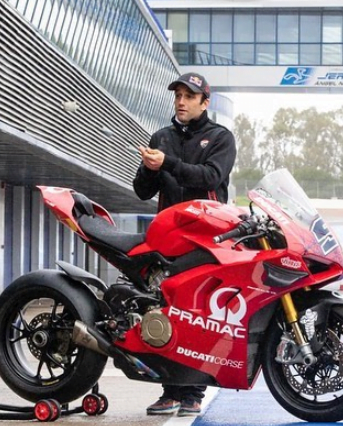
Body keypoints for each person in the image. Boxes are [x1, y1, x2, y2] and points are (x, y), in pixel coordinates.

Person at [132, 72, 237, 417]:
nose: (181, 101)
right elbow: (142, 191)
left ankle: (193, 392)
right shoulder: (161, 137)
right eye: (178, 95)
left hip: (206, 240)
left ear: (205, 102)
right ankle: (170, 391)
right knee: (165, 312)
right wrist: (150, 169)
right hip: (167, 239)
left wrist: (168, 163)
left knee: (199, 316)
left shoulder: (221, 137)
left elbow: (210, 177)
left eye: (189, 96)